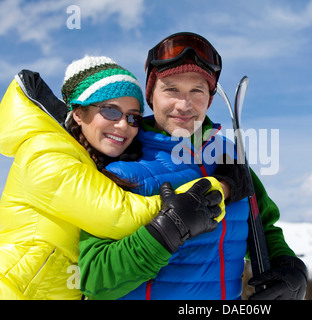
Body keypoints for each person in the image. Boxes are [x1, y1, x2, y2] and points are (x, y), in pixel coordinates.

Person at [78, 32, 308, 300]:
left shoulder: (228, 154)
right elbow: (94, 279)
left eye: (197, 91)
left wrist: (289, 266)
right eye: (171, 89)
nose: (184, 105)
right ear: (151, 95)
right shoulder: (122, 164)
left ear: (209, 99)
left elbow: (262, 223)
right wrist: (166, 231)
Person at [0, 56, 224, 300]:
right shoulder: (46, 153)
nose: (122, 126)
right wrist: (212, 189)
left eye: (133, 118)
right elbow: (117, 213)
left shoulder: (91, 160)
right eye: (110, 111)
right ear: (78, 113)